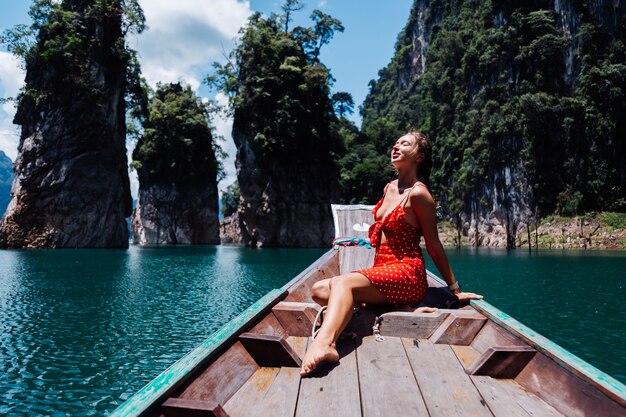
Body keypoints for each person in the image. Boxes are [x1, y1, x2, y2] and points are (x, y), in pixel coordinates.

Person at [300, 129, 483, 377]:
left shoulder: (419, 195)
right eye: (395, 143)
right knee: (319, 290)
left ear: (419, 156)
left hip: (407, 272)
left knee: (343, 284)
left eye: (404, 144)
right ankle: (399, 307)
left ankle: (325, 343)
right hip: (383, 270)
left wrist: (454, 289)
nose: (396, 147)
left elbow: (433, 244)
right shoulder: (389, 187)